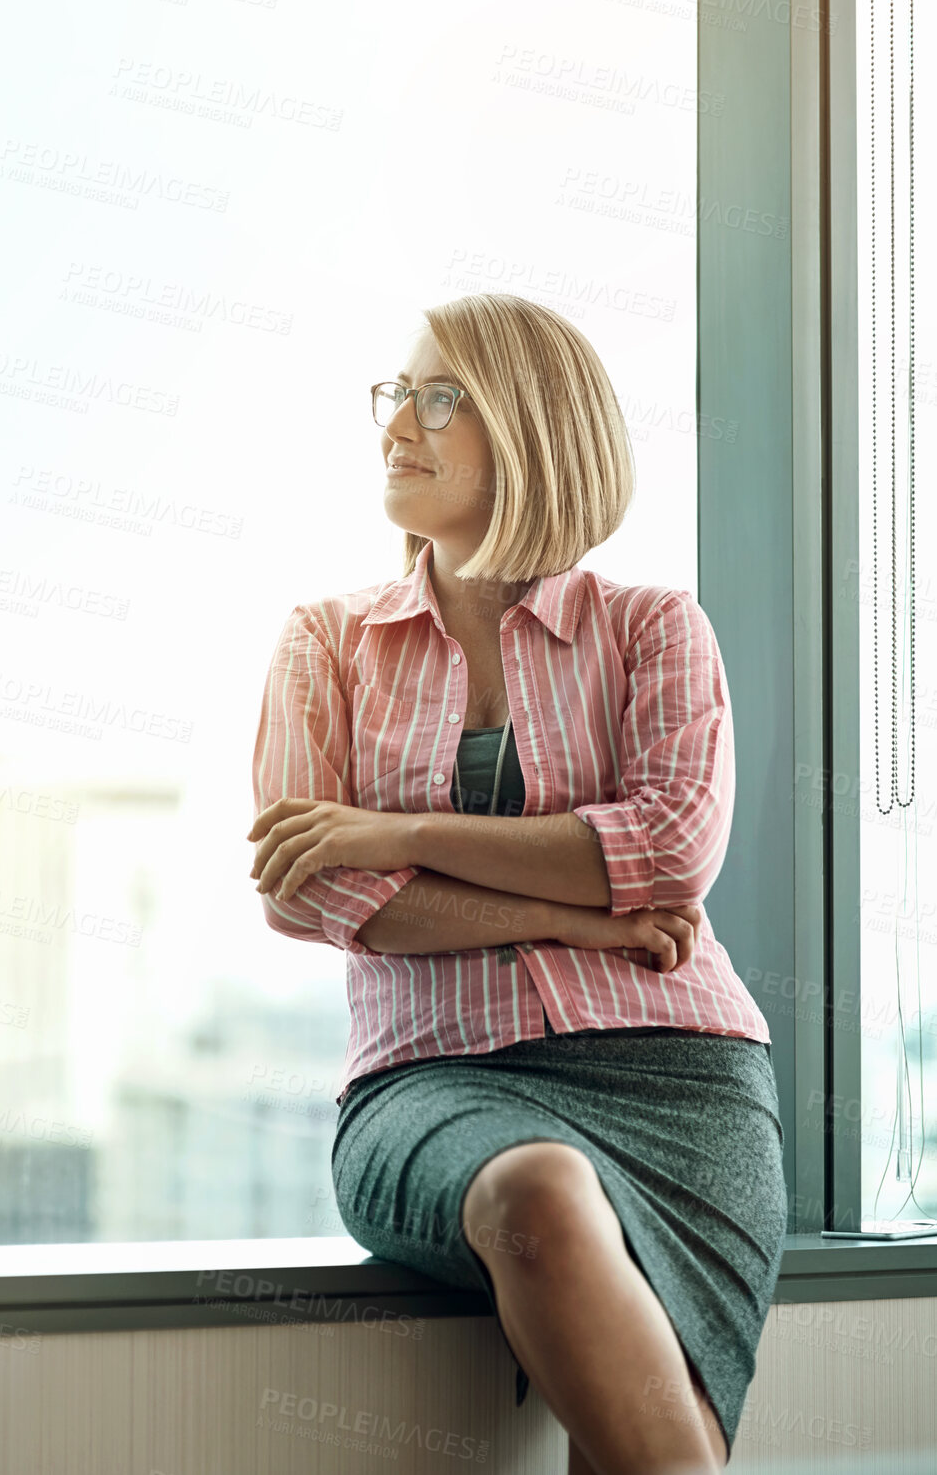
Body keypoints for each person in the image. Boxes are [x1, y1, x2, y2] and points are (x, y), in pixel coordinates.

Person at [247, 292, 786, 1475]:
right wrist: (567, 912)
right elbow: (315, 895)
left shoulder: (657, 629)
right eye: (397, 394)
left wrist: (386, 829)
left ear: (536, 428)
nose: (399, 426)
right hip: (433, 1082)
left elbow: (664, 849)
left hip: (680, 1084)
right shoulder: (323, 643)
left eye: (441, 398)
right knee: (537, 1191)